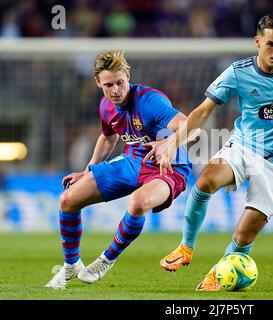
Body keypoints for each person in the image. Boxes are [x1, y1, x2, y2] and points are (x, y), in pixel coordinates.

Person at [145, 13, 273, 291]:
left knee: (244, 235)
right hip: (245, 145)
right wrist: (173, 141)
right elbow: (204, 110)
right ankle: (185, 247)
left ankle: (221, 271)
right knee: (206, 179)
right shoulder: (238, 72)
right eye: (271, 44)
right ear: (258, 41)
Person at [45, 50, 194, 289]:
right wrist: (87, 171)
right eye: (108, 85)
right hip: (133, 161)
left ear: (128, 76)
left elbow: (189, 125)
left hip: (168, 166)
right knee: (68, 200)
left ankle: (107, 259)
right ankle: (71, 265)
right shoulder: (106, 106)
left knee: (137, 204)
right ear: (97, 83)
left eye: (120, 83)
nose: (115, 90)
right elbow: (107, 138)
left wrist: (168, 144)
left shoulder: (150, 100)